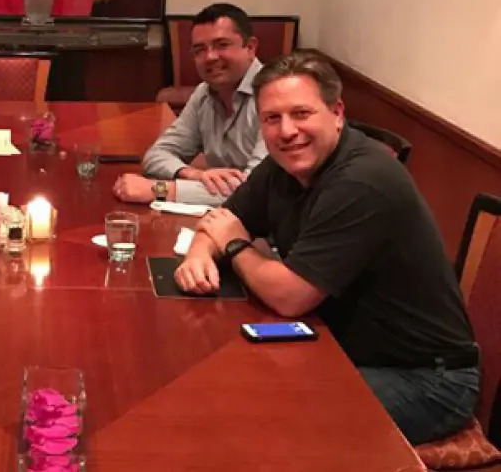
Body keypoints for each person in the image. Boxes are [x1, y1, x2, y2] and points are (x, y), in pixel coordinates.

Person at [175, 50, 479, 445]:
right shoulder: (284, 164)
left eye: (301, 113)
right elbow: (223, 217)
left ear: (337, 113)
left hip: (428, 380)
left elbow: (290, 296)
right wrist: (200, 252)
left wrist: (233, 244)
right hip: (339, 346)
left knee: (258, 424)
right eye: (272, 118)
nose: (287, 131)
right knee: (221, 388)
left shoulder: (361, 180)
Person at [114, 3, 268, 206]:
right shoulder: (204, 93)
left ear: (250, 47)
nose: (210, 57)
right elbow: (156, 155)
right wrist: (194, 174)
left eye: (222, 45)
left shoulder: (275, 95)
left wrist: (159, 190)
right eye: (199, 50)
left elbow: (256, 191)